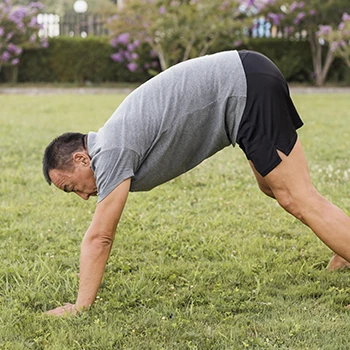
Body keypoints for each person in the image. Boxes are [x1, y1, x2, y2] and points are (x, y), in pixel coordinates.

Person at [43, 50, 350, 316]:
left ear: (82, 159)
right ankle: (342, 241)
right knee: (272, 187)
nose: (82, 197)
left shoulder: (109, 152)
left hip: (246, 88)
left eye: (72, 187)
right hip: (249, 78)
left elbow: (100, 238)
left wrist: (80, 305)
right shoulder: (111, 142)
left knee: (296, 197)